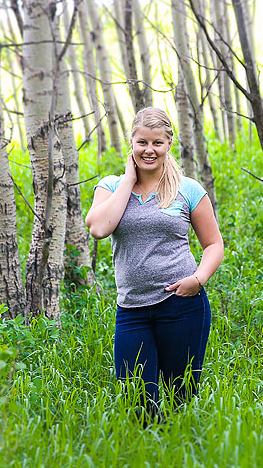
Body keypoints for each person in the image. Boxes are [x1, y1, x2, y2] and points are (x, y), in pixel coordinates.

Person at [85, 107, 224, 416]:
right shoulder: (110, 187)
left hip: (182, 306)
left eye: (157, 143)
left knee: (180, 399)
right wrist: (128, 180)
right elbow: (98, 228)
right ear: (131, 143)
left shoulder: (187, 189)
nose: (149, 150)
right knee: (138, 402)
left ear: (168, 145)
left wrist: (198, 279)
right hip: (132, 310)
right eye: (142, 143)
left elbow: (214, 244)